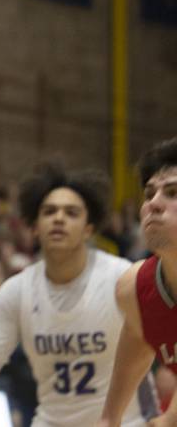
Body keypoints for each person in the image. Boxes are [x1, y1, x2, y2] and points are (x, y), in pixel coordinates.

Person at [0, 165, 157, 426]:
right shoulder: (16, 291)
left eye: (71, 212)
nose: (59, 218)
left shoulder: (122, 278)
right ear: (34, 227)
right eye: (49, 211)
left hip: (127, 422)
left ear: (88, 228)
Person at [98, 138, 177, 427]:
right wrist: (109, 418)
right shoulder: (134, 289)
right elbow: (139, 333)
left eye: (173, 192)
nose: (154, 203)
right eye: (149, 193)